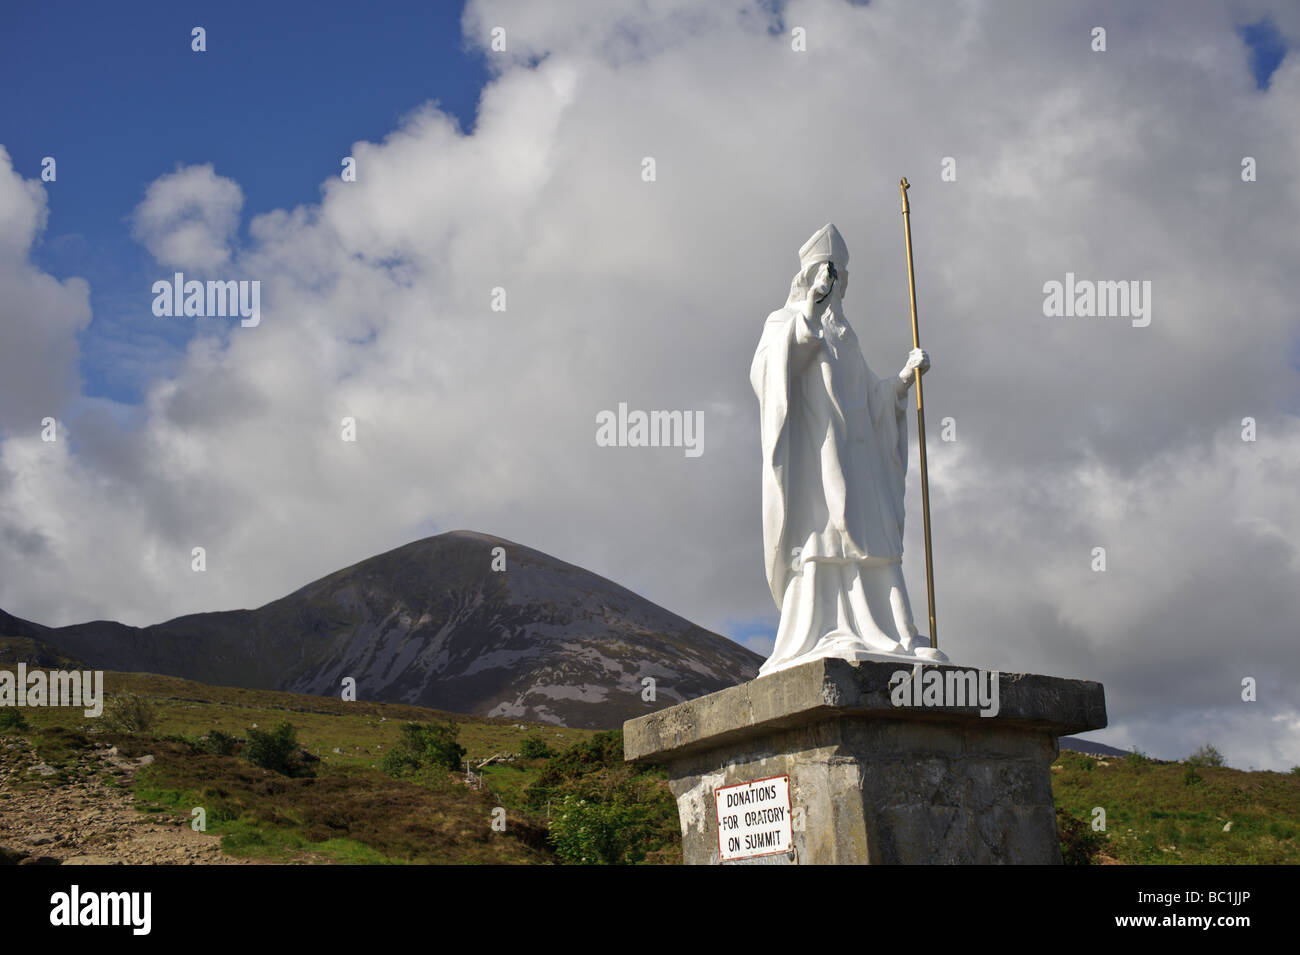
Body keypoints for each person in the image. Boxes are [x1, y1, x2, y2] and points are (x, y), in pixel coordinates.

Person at [751, 223, 945, 676]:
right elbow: (769, 376)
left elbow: (869, 400)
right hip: (817, 461)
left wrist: (902, 379)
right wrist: (810, 311)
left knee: (875, 539)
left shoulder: (847, 338)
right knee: (824, 540)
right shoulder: (784, 322)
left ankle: (900, 634)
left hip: (858, 460)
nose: (835, 283)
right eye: (828, 273)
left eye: (840, 276)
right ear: (811, 275)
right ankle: (823, 631)